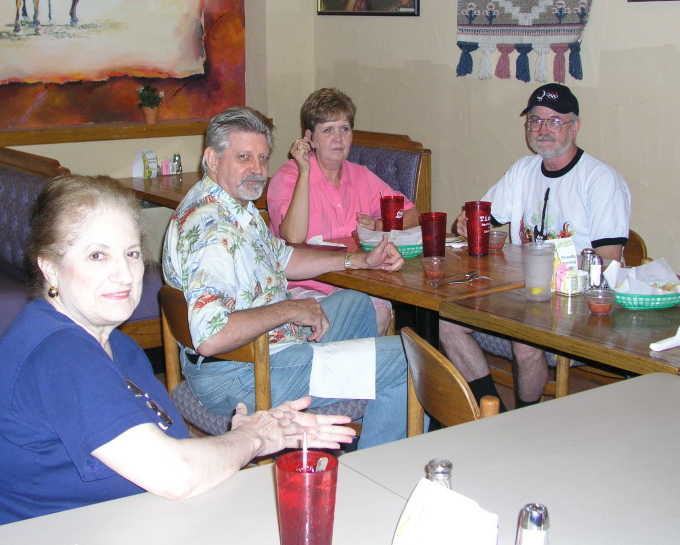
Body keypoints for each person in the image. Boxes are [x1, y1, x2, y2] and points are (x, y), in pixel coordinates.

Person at [0, 175, 355, 535]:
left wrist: (250, 436)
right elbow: (175, 475)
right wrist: (250, 438)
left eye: (130, 253)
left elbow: (172, 449)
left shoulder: (118, 347)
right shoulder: (58, 353)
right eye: (97, 255)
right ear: (50, 268)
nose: (124, 274)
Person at [163, 106, 409, 450]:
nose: (258, 170)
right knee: (406, 359)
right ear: (212, 158)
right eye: (244, 157)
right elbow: (212, 336)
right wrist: (292, 310)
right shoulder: (213, 231)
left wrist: (359, 260)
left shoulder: (232, 205)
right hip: (243, 374)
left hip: (266, 349)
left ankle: (352, 407)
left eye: (263, 158)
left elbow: (283, 257)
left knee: (356, 304)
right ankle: (378, 473)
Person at [441, 83, 631, 409]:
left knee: (526, 340)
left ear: (575, 127)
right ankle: (491, 408)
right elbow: (483, 218)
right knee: (444, 321)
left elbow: (609, 261)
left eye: (555, 121)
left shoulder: (600, 179)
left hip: (577, 302)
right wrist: (466, 223)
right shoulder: (522, 171)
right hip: (520, 293)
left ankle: (526, 416)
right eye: (535, 120)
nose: (543, 129)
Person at [267, 88, 419, 335]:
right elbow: (293, 237)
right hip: (301, 286)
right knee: (357, 316)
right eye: (328, 130)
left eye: (344, 129)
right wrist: (305, 171)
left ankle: (358, 369)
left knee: (379, 310)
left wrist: (380, 226)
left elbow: (412, 214)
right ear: (309, 138)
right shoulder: (287, 178)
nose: (338, 138)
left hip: (356, 281)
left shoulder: (360, 176)